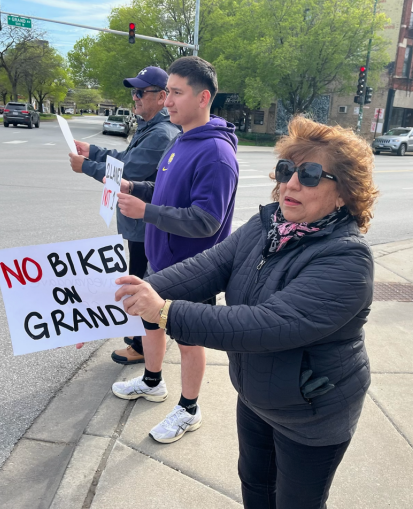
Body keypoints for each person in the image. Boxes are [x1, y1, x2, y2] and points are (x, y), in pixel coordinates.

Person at [115, 115, 377, 508]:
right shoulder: (265, 224)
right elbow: (208, 267)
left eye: (309, 175)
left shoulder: (347, 258)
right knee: (255, 486)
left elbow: (268, 325)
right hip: (257, 393)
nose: (290, 183)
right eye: (287, 170)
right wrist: (128, 294)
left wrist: (165, 311)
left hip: (313, 412)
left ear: (344, 193)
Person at [109, 56, 239, 444]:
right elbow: (169, 194)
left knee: (188, 340)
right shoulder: (182, 139)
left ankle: (188, 409)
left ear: (203, 97)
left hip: (194, 269)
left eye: (176, 93)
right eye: (166, 92)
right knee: (149, 322)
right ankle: (152, 382)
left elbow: (206, 220)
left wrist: (146, 211)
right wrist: (139, 190)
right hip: (161, 264)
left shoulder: (216, 154)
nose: (167, 101)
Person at [68, 66, 180, 365]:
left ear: (162, 96)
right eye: (134, 92)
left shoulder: (161, 133)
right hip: (137, 223)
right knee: (137, 282)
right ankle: (140, 343)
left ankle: (141, 348)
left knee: (139, 285)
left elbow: (127, 173)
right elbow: (125, 159)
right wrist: (92, 151)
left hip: (145, 225)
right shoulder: (149, 127)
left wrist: (86, 166)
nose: (135, 97)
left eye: (141, 92)